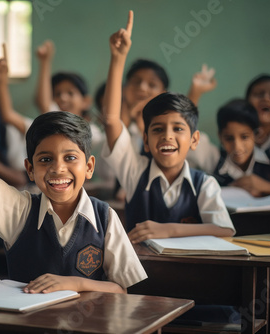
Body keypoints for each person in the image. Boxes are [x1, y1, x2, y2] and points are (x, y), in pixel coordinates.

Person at [0, 43, 147, 293]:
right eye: (45, 159)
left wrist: (75, 283)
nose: (58, 169)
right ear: (29, 169)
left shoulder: (105, 218)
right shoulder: (20, 211)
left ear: (89, 167)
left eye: (70, 158)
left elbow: (122, 290)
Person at [101, 11, 235, 242]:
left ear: (194, 140)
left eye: (178, 129)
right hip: (142, 275)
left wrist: (171, 230)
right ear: (145, 139)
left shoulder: (204, 184)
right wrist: (118, 58)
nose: (167, 136)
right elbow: (112, 119)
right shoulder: (135, 173)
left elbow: (225, 230)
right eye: (158, 129)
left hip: (193, 274)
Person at [212, 99, 270, 196]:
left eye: (244, 137)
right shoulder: (214, 161)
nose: (237, 147)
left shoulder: (269, 159)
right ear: (220, 137)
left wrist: (263, 186)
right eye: (229, 139)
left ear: (256, 135)